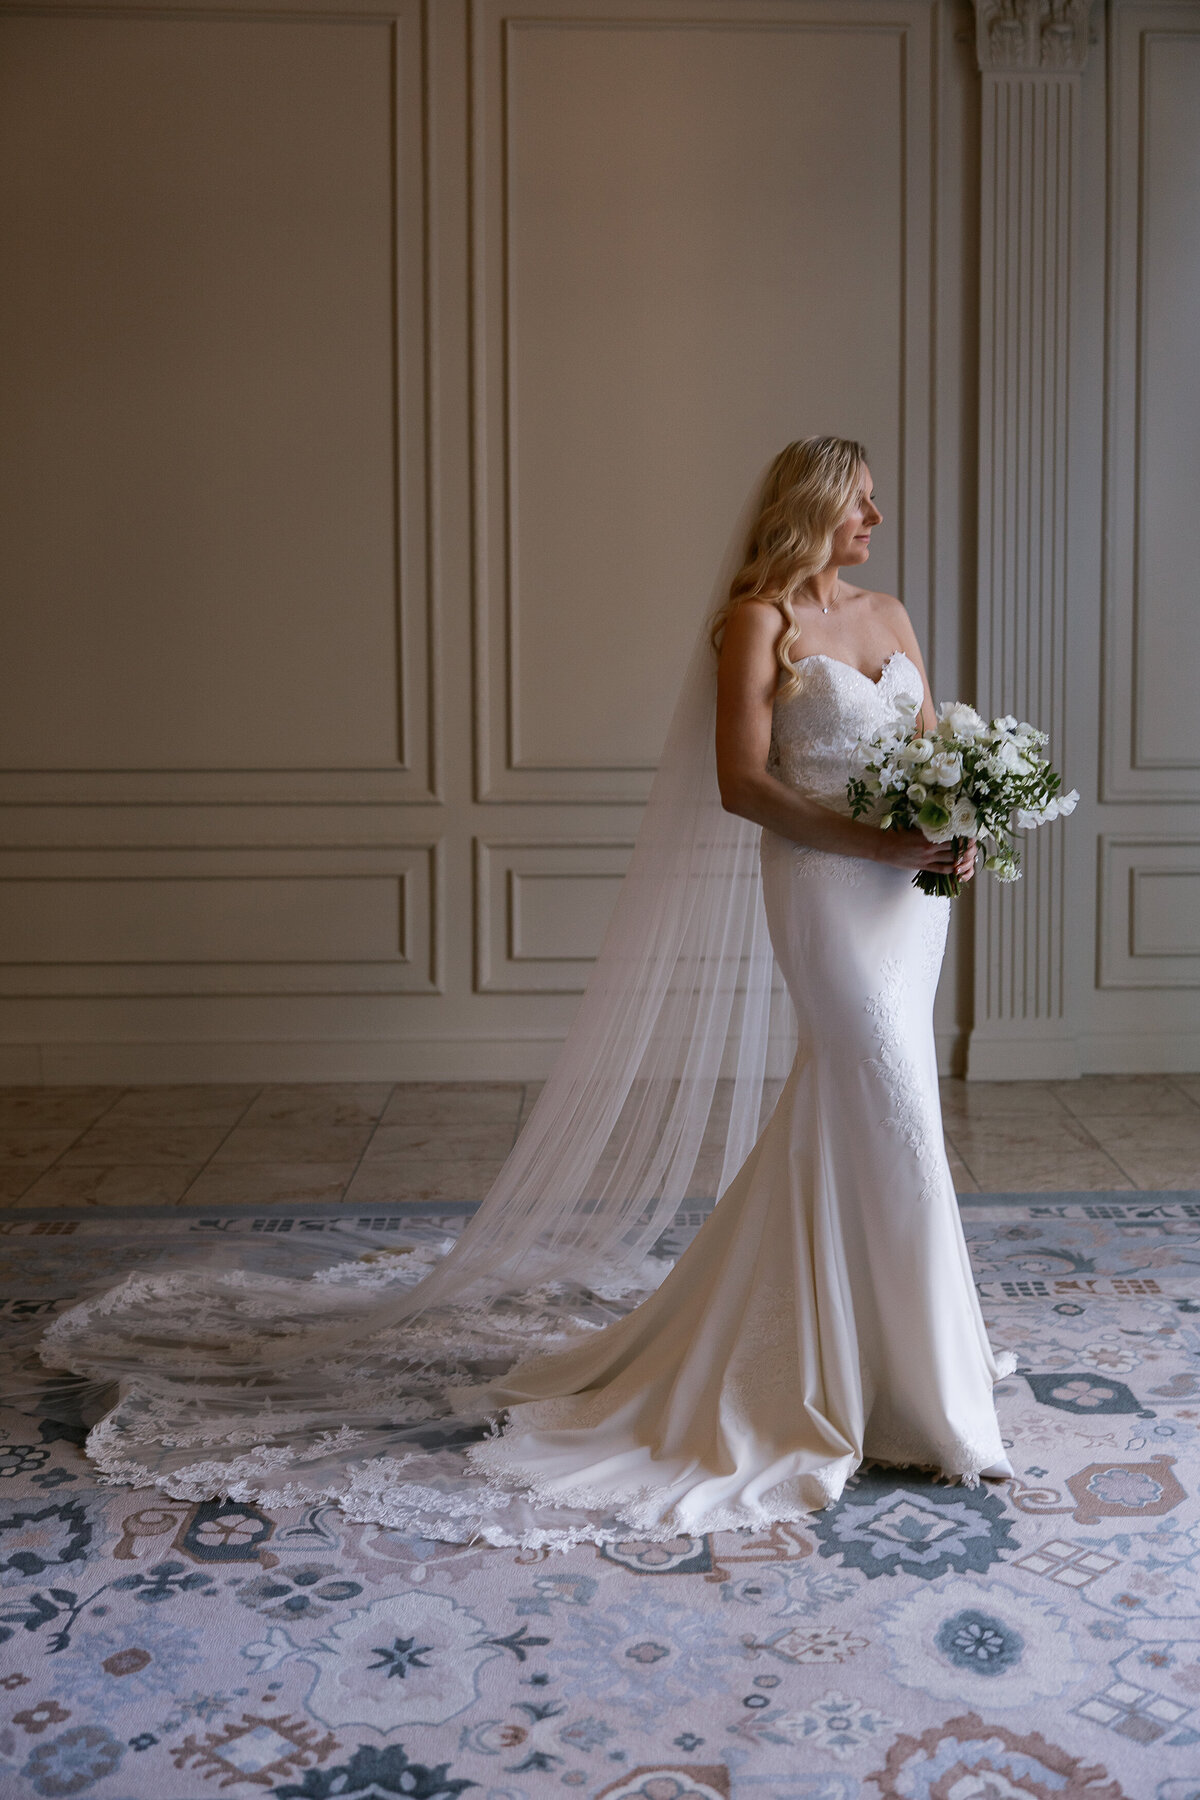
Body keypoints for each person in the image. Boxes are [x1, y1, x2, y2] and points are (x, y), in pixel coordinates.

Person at [36, 436, 1014, 1549]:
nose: (876, 521)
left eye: (876, 506)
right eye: (860, 505)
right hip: (826, 895)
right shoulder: (758, 623)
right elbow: (742, 784)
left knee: (876, 1106)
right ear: (811, 508)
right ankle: (920, 1391)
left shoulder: (889, 617)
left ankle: (882, 1352)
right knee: (880, 1090)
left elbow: (938, 751)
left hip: (903, 905)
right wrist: (870, 847)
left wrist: (956, 833)